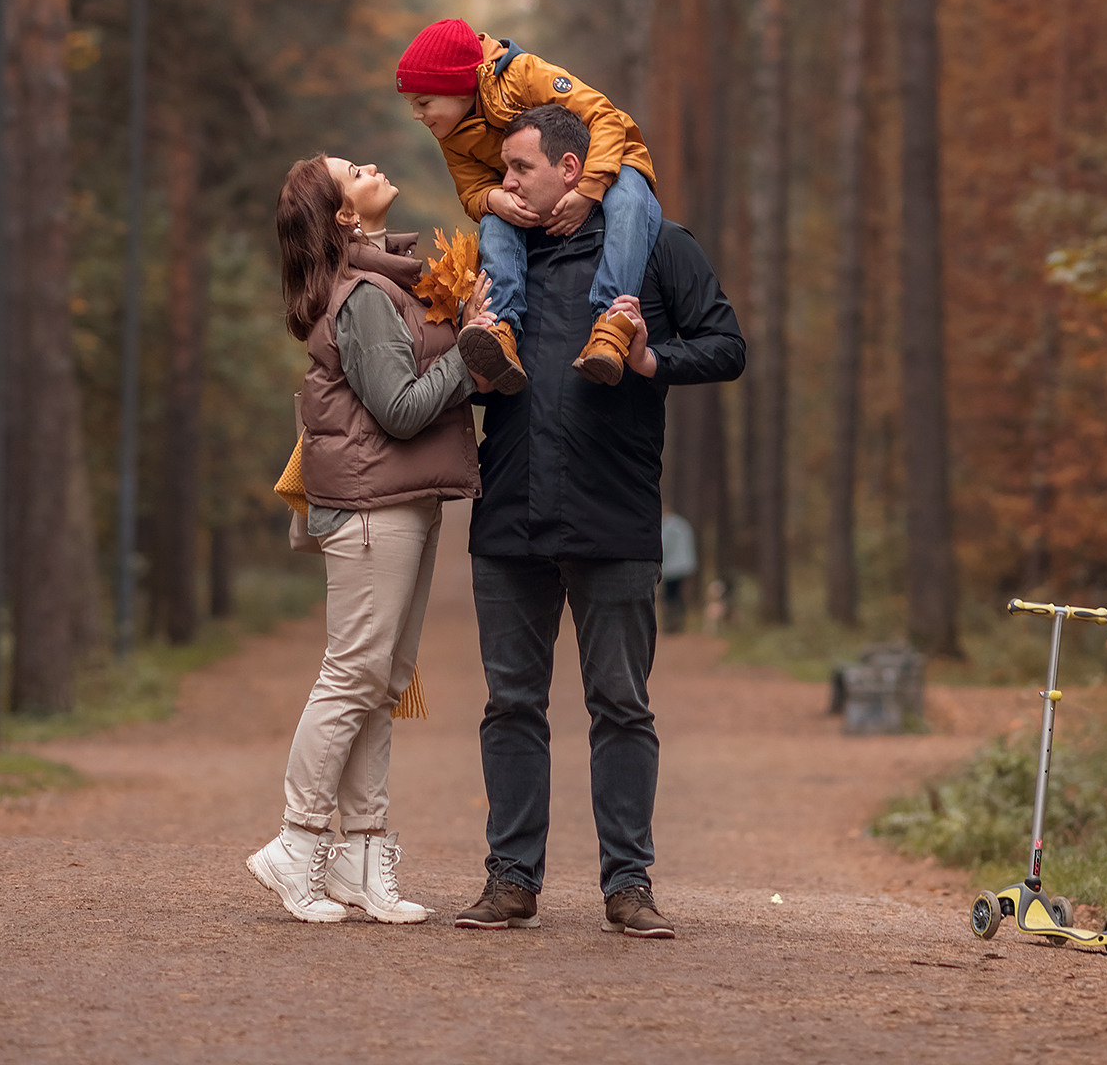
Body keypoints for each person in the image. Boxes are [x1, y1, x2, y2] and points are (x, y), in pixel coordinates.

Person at [452, 104, 745, 940]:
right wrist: (467, 343)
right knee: (511, 703)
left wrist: (653, 360)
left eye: (518, 168)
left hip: (614, 514)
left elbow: (726, 345)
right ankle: (511, 880)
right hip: (509, 513)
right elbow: (465, 387)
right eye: (502, 171)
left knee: (620, 703)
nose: (504, 185)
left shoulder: (655, 244)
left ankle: (628, 885)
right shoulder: (496, 254)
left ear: (571, 168)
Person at [246, 154, 488, 927]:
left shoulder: (388, 282)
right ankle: (297, 842)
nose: (372, 164)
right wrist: (473, 353)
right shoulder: (363, 297)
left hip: (398, 499)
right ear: (345, 216)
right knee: (353, 678)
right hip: (370, 508)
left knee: (381, 686)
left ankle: (360, 852)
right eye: (353, 169)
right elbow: (402, 409)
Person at [396, 18, 660, 393]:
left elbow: (603, 116)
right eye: (412, 104)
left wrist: (588, 189)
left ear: (456, 87)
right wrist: (493, 198)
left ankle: (611, 325)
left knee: (628, 199)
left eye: (423, 102)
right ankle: (500, 328)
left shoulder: (523, 74)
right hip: (532, 187)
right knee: (494, 222)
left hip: (611, 160)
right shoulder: (450, 133)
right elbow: (471, 189)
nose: (416, 115)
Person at [659, 512, 697, 634]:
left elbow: (664, 546)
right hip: (685, 566)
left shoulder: (668, 527)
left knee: (669, 596)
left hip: (672, 568)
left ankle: (670, 624)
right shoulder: (683, 524)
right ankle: (680, 622)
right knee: (679, 595)